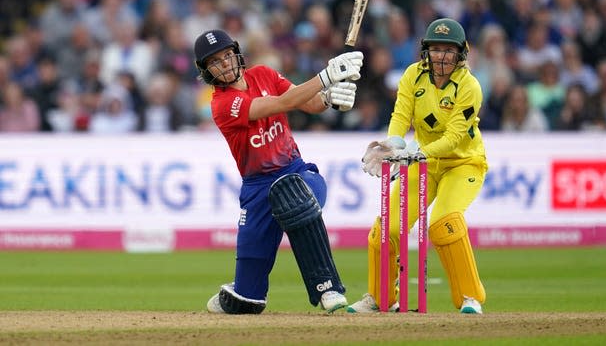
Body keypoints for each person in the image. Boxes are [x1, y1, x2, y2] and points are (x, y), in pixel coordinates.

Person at [193, 29, 363, 315]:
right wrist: (325, 78)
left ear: (236, 54)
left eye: (226, 55)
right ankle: (238, 292)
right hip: (257, 189)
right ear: (206, 71)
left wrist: (330, 97)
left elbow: (308, 103)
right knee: (249, 301)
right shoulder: (222, 105)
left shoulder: (265, 74)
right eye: (215, 61)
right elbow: (283, 103)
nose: (224, 64)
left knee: (293, 196)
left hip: (298, 173)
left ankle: (328, 286)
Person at [347, 18, 488, 315]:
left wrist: (416, 152)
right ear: (426, 51)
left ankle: (469, 297)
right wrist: (394, 144)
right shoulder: (413, 75)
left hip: (463, 163)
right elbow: (401, 115)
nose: (441, 57)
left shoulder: (469, 86)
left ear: (461, 53)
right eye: (436, 49)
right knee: (387, 227)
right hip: (423, 162)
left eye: (448, 51)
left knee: (444, 223)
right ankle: (381, 298)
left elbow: (452, 138)